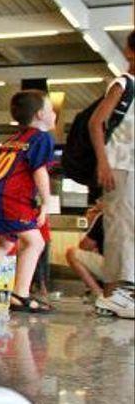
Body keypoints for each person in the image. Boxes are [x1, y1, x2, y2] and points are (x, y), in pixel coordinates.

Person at [0, 90, 57, 313]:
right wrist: (46, 202)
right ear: (39, 115)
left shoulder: (12, 140)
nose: (55, 114)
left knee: (5, 242)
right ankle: (20, 294)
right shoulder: (42, 137)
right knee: (35, 243)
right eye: (51, 109)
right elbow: (39, 171)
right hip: (12, 198)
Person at [91, 31, 134, 318]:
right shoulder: (123, 83)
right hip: (119, 167)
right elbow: (96, 123)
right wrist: (103, 163)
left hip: (131, 167)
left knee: (128, 227)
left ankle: (118, 294)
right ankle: (115, 294)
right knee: (121, 227)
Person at [65, 203, 106, 301]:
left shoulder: (105, 216)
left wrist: (93, 222)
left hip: (116, 270)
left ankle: (99, 294)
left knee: (72, 253)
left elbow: (84, 246)